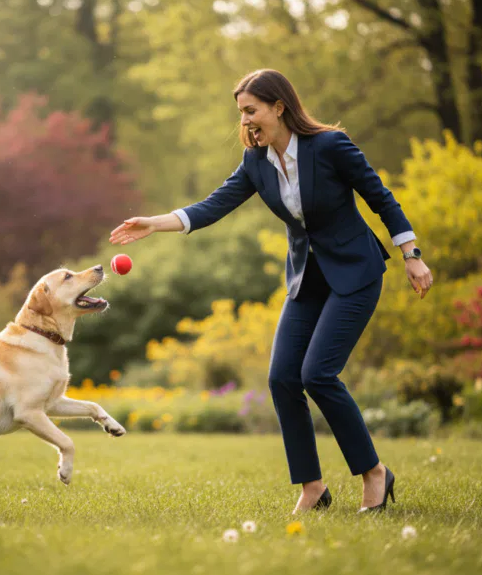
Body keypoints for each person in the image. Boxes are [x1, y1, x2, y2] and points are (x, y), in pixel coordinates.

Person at [109, 69, 433, 514]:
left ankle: (374, 473)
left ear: (279, 107)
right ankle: (313, 487)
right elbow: (212, 206)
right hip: (307, 279)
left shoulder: (329, 146)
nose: (245, 122)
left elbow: (379, 196)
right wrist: (155, 223)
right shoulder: (256, 162)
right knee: (283, 378)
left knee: (318, 374)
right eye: (241, 114)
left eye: (251, 111)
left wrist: (411, 253)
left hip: (356, 274)